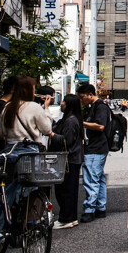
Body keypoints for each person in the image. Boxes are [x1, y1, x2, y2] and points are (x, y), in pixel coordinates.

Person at [0, 77, 51, 242]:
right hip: (28, 152)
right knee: (31, 189)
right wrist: (46, 110)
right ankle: (26, 225)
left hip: (10, 152)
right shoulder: (33, 107)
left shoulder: (7, 108)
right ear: (28, 90)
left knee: (7, 192)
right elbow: (47, 129)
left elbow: (2, 133)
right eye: (34, 88)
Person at [79, 83, 111, 223]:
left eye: (82, 97)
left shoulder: (100, 107)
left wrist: (82, 123)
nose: (81, 100)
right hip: (99, 147)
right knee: (98, 178)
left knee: (91, 178)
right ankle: (100, 207)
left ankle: (90, 209)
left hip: (96, 148)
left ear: (90, 95)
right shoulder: (96, 106)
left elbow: (100, 126)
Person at [51, 94, 84, 229]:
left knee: (64, 190)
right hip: (72, 159)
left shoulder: (70, 121)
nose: (61, 103)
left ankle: (67, 218)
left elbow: (67, 141)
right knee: (69, 190)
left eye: (64, 101)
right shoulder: (72, 119)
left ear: (69, 104)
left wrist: (52, 135)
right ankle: (70, 218)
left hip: (69, 159)